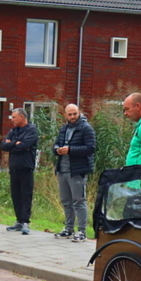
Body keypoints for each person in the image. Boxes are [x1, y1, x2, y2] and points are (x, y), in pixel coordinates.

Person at [53, 104, 96, 243]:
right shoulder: (64, 128)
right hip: (63, 169)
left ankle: (82, 231)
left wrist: (70, 150)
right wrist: (57, 149)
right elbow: (55, 144)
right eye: (69, 114)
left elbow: (91, 148)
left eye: (74, 114)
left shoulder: (86, 128)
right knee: (66, 201)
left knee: (79, 201)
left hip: (77, 170)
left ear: (79, 113)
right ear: (65, 115)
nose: (72, 117)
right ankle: (68, 228)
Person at [1, 107, 38, 235]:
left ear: (22, 117)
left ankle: (25, 222)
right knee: (15, 195)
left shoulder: (31, 130)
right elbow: (3, 146)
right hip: (14, 167)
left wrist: (14, 145)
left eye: (14, 117)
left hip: (26, 168)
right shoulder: (13, 130)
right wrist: (14, 144)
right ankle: (18, 221)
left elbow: (25, 145)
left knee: (25, 195)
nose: (12, 120)